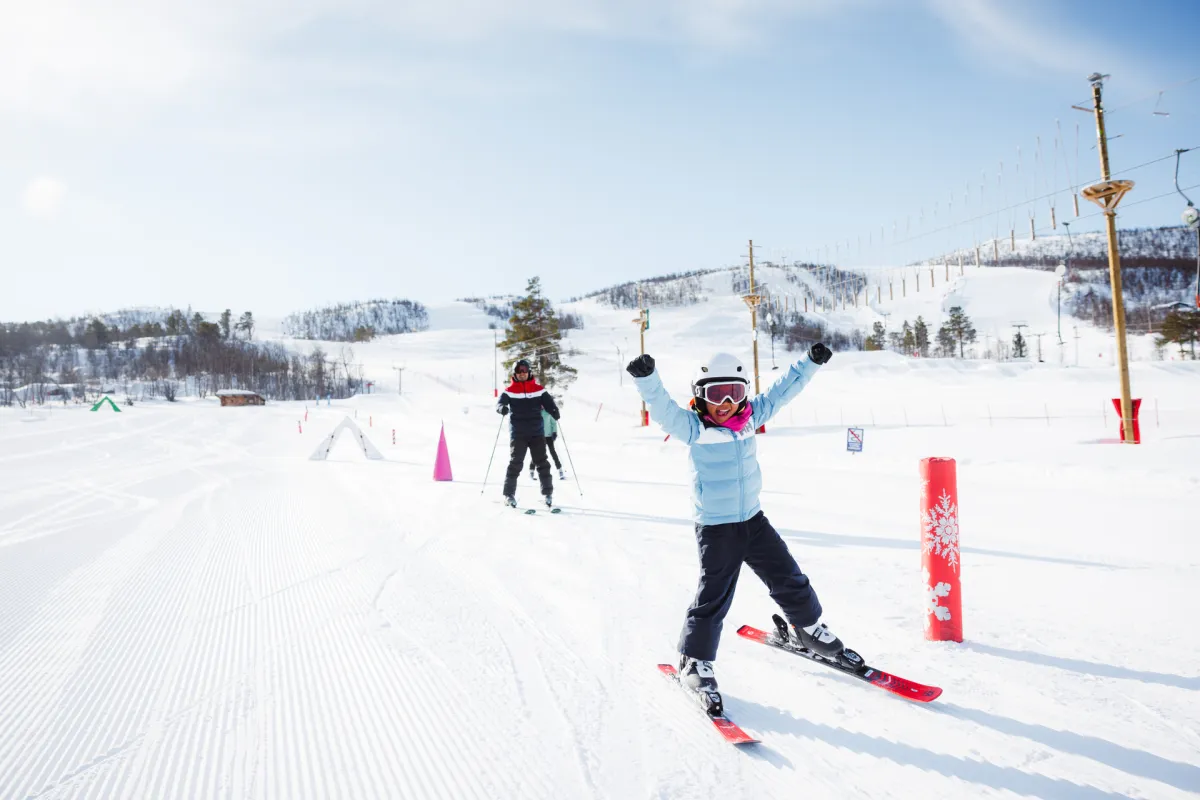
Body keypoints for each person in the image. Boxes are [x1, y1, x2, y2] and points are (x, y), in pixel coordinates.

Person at [626, 343, 841, 692]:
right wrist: (647, 379)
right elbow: (664, 410)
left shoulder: (750, 418)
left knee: (788, 575)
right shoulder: (694, 428)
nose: (726, 404)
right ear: (700, 396)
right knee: (714, 595)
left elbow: (783, 390)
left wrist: (809, 363)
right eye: (716, 395)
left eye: (734, 394)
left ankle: (808, 627)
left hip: (753, 520)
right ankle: (695, 659)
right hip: (715, 526)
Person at [498, 359, 560, 508]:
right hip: (518, 433)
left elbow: (549, 403)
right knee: (516, 464)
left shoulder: (539, 390)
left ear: (529, 372)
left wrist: (554, 411)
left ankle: (547, 494)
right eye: (519, 371)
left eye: (524, 370)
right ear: (515, 373)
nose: (522, 374)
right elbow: (500, 403)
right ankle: (508, 494)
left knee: (542, 463)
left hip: (536, 433)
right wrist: (502, 409)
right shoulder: (509, 391)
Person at [530, 406, 565, 482]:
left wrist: (554, 432)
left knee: (553, 452)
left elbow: (553, 423)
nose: (542, 406)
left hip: (548, 436)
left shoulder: (548, 412)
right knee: (537, 453)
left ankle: (560, 470)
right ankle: (532, 470)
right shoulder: (536, 412)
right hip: (539, 436)